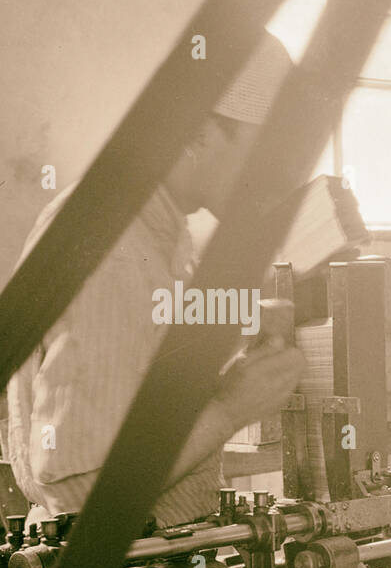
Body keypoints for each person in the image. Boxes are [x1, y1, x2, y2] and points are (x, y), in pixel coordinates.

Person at [5, 32, 306, 530]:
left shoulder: (159, 224)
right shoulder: (112, 244)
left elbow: (142, 323)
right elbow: (80, 490)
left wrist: (236, 316)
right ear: (198, 134)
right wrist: (230, 407)